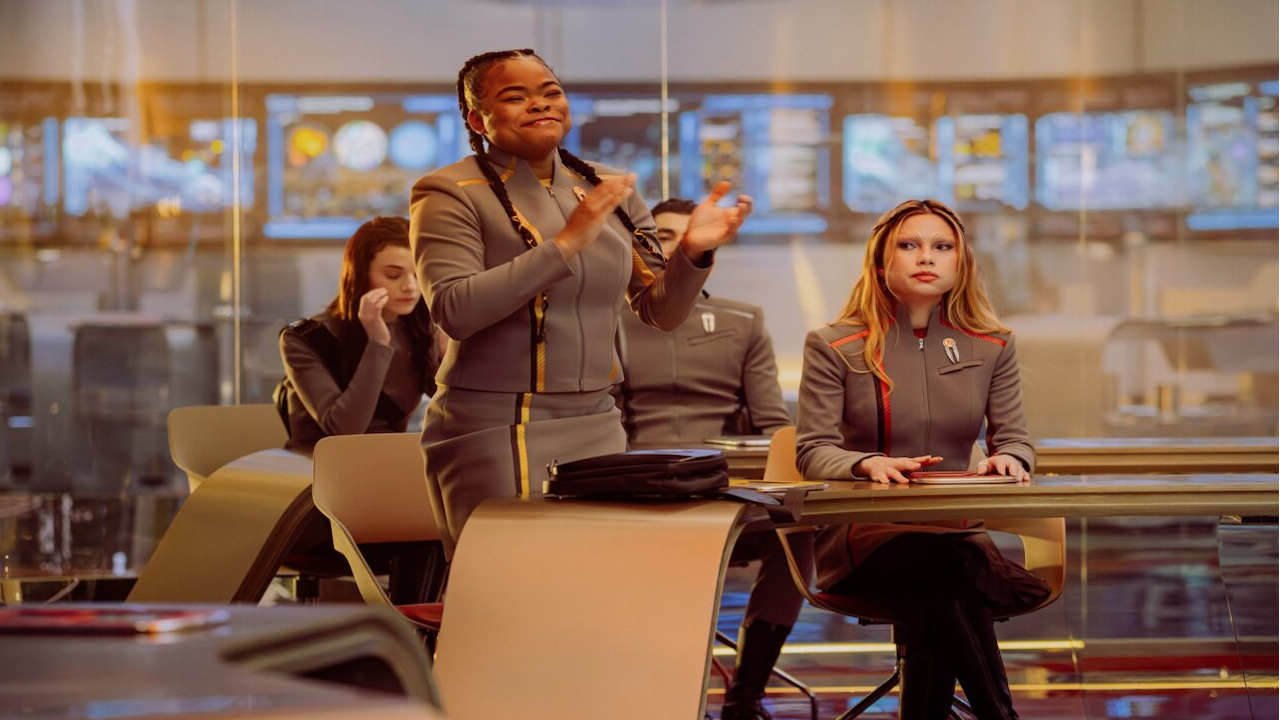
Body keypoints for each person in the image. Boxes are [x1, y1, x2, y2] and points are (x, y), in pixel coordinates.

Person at [409, 49, 751, 544]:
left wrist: (694, 252)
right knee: (511, 588)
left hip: (596, 420)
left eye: (551, 92)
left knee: (592, 582)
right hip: (496, 423)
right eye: (515, 96)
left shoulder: (608, 187)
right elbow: (455, 311)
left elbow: (660, 312)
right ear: (476, 118)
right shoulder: (448, 191)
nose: (541, 104)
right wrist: (568, 242)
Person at [795, 199, 1048, 720]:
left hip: (953, 534)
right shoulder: (834, 345)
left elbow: (1017, 440)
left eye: (941, 246)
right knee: (944, 570)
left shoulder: (993, 345)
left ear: (961, 263)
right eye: (908, 246)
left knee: (941, 574)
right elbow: (812, 450)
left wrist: (1011, 461)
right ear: (882, 262)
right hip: (865, 538)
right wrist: (865, 464)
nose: (925, 257)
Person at [614, 197, 800, 720]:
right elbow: (605, 419)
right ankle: (652, 690)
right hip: (637, 492)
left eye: (683, 234)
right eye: (661, 236)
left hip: (725, 488)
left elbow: (771, 424)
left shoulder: (743, 322)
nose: (672, 246)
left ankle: (747, 692)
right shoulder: (608, 322)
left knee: (797, 539)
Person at [279, 215, 440, 455]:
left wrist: (450, 352)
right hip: (318, 469)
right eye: (394, 275)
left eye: (418, 275)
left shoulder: (419, 328)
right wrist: (377, 345)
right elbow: (344, 430)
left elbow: (459, 410)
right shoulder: (305, 339)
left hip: (388, 462)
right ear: (360, 275)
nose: (410, 286)